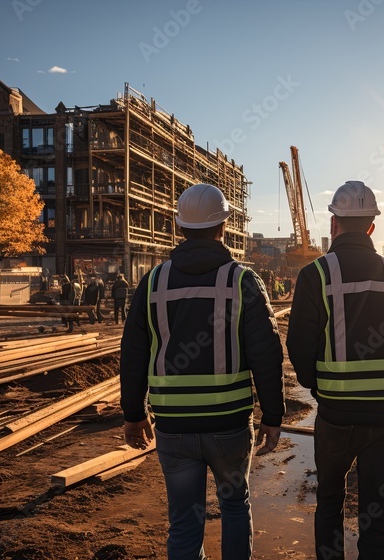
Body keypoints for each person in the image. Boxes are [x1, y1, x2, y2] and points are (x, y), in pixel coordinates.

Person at [121, 183, 285, 560]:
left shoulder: (153, 283)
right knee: (233, 506)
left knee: (183, 520)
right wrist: (272, 416)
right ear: (223, 227)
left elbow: (132, 354)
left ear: (179, 227)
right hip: (227, 424)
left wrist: (133, 414)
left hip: (173, 426)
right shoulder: (242, 281)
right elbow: (266, 355)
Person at [287, 180, 384, 560]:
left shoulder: (316, 275)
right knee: (377, 508)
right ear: (372, 227)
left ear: (334, 223)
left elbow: (299, 348)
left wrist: (323, 387)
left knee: (330, 501)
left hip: (338, 414)